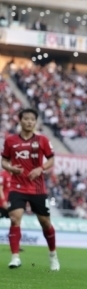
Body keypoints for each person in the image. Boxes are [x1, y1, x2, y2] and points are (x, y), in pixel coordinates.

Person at [1, 109, 58, 270]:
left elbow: (51, 159)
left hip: (37, 188)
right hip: (17, 186)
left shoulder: (42, 140)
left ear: (35, 122)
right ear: (20, 121)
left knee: (45, 223)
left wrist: (41, 168)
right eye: (26, 119)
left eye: (32, 119)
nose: (29, 122)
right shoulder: (10, 141)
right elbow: (3, 161)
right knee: (14, 218)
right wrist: (10, 168)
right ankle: (15, 257)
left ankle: (53, 255)